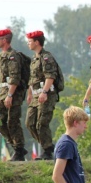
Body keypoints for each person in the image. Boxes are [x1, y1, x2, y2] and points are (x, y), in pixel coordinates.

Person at [0, 28, 27, 161]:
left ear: (5, 40)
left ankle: (19, 150)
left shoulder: (13, 56)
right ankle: (17, 146)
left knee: (13, 121)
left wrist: (10, 95)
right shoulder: (0, 56)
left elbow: (15, 77)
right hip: (2, 92)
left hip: (13, 93)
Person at [25, 30, 58, 160]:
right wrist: (29, 94)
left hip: (46, 94)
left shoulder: (46, 57)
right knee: (30, 123)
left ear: (37, 42)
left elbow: (50, 76)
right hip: (35, 95)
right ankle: (48, 147)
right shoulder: (34, 59)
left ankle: (47, 151)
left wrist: (44, 92)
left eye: (30, 41)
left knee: (41, 123)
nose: (28, 44)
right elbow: (32, 79)